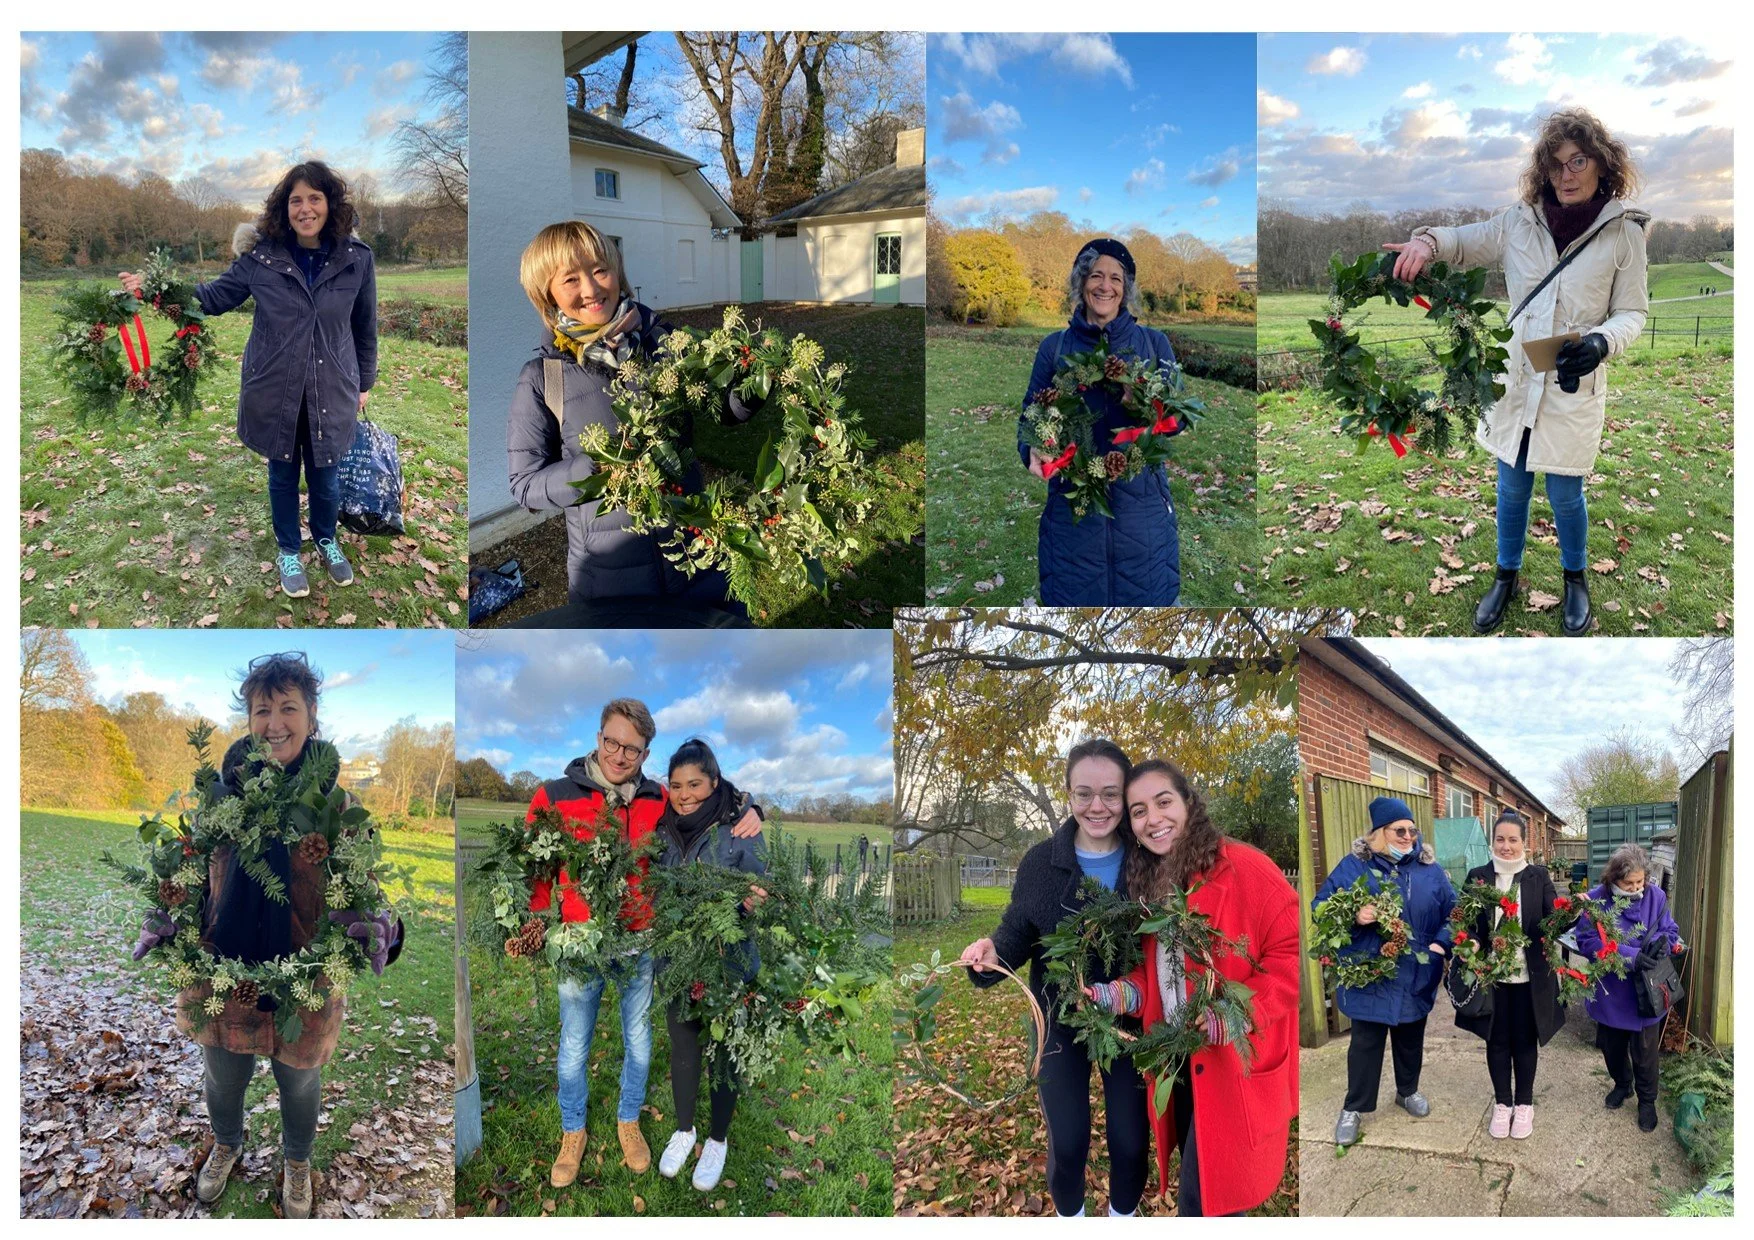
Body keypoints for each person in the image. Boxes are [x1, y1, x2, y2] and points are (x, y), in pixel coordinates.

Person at [1383, 108, 1650, 637]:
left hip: (1573, 382)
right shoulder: (1517, 221)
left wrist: (1602, 341)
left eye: (1578, 162)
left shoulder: (1624, 234)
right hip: (1514, 381)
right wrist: (1426, 243)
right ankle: (1506, 576)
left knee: (1566, 494)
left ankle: (1575, 580)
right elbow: (1460, 241)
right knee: (1511, 487)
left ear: (1602, 164)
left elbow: (1633, 313)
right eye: (1555, 166)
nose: (1566, 175)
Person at [183, 653, 401, 1217]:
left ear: (311, 716)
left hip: (305, 981)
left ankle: (297, 1162)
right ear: (248, 719)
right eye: (262, 709)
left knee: (299, 1084)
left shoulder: (339, 806)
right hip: (223, 973)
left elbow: (365, 888)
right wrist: (170, 920)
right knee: (222, 1076)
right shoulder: (217, 799)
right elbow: (186, 874)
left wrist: (380, 929)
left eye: (288, 707)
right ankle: (227, 1145)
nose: (274, 722)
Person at [525, 699, 762, 1188]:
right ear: (598, 738)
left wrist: (752, 804)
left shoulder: (657, 798)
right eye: (612, 742)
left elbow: (714, 797)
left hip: (640, 943)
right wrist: (532, 923)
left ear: (645, 752)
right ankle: (574, 1131)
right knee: (573, 1047)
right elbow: (532, 868)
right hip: (578, 946)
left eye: (632, 749)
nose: (619, 754)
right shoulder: (554, 794)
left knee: (640, 1045)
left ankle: (628, 1121)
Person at [121, 162, 378, 600]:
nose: (305, 208)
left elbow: (364, 326)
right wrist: (157, 289)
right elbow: (212, 297)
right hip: (275, 387)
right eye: (296, 200)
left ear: (330, 204)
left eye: (314, 198)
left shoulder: (356, 259)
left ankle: (326, 540)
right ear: (285, 207)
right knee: (282, 474)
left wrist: (364, 382)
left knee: (326, 477)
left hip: (332, 386)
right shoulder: (262, 258)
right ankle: (289, 549)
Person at [505, 221, 761, 611]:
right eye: (570, 279)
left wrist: (753, 386)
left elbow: (723, 408)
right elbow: (524, 485)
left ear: (618, 274)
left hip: (699, 560)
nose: (591, 289)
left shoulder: (662, 342)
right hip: (609, 581)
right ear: (548, 295)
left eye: (600, 270)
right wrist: (592, 470)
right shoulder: (543, 379)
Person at [1081, 760, 1300, 1216]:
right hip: (1180, 1062)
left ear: (1189, 803)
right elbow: (1159, 973)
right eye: (1138, 810)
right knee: (1199, 1180)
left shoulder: (1245, 868)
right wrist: (1120, 993)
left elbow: (1292, 954)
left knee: (1208, 1202)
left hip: (1231, 1067)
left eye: (1164, 802)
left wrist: (1240, 1013)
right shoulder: (1154, 884)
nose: (1153, 819)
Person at [958, 738, 1146, 1216]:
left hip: (1131, 1025)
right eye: (1083, 793)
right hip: (1059, 1026)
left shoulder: (1148, 860)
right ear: (1068, 794)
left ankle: (1123, 1217)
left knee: (1130, 1142)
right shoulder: (1042, 863)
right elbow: (1016, 934)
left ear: (1126, 797)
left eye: (1110, 793)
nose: (1097, 806)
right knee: (1068, 1143)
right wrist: (989, 953)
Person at [1019, 239, 1184, 606]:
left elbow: (1177, 418)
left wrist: (1143, 402)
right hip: (1072, 521)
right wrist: (1032, 444)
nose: (1105, 286)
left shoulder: (1154, 345)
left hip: (1143, 522)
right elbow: (1030, 414)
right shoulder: (1055, 348)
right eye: (1096, 275)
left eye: (1115, 278)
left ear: (1126, 291)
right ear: (1081, 282)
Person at [651, 738, 768, 1192]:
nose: (684, 794)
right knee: (684, 1048)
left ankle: (717, 1138)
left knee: (723, 1052)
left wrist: (732, 914)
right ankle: (685, 1130)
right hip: (676, 962)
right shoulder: (663, 827)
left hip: (728, 962)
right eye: (676, 785)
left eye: (695, 784)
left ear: (714, 782)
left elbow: (759, 887)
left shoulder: (739, 826)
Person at [1311, 796, 1456, 1148]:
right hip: (1370, 973)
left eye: (1412, 830)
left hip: (1415, 972)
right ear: (1379, 833)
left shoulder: (1430, 870)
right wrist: (1354, 914)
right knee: (1365, 1044)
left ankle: (1407, 1091)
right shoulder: (1353, 867)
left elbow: (1455, 912)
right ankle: (1354, 1107)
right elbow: (1320, 907)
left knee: (1411, 1039)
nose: (1408, 837)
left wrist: (1440, 944)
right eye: (1399, 830)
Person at [1455, 810, 1562, 1140]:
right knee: (1497, 1041)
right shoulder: (1478, 877)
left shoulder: (1538, 876)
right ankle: (1503, 1104)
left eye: (1513, 839)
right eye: (1500, 839)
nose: (1506, 846)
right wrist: (1470, 943)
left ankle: (1524, 1104)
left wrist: (1569, 913)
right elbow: (1466, 923)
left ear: (1523, 842)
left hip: (1530, 979)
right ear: (1493, 841)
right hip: (1493, 979)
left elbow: (1551, 919)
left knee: (1525, 1042)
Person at [1574, 844, 1684, 1133]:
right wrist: (1630, 955)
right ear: (1613, 879)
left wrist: (1659, 944)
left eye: (1640, 882)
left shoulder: (1656, 896)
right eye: (1629, 883)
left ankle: (1647, 1101)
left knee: (1646, 1053)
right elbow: (1586, 941)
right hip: (1612, 989)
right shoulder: (1596, 901)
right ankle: (1623, 1084)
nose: (1636, 889)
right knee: (1611, 1047)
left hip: (1647, 991)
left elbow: (1670, 929)